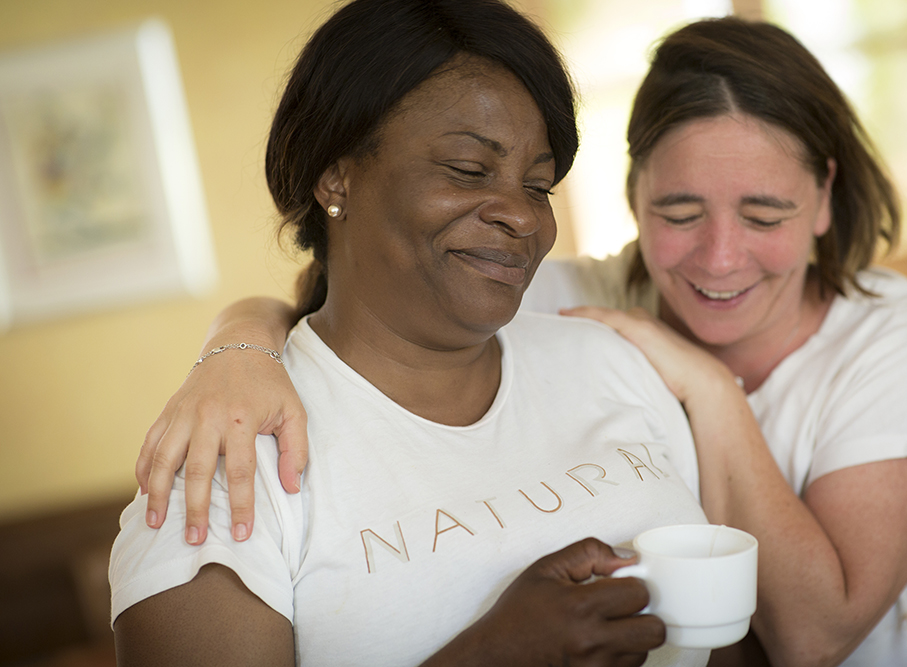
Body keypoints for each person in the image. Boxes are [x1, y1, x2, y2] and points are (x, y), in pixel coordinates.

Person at [135, 13, 907, 667]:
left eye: (538, 182)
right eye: (679, 210)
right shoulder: (570, 305)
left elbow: (803, 636)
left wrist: (704, 386)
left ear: (822, 198)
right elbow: (337, 300)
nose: (721, 255)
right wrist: (236, 347)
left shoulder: (622, 352)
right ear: (634, 197)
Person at [110, 1, 712, 665]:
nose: (520, 214)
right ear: (336, 178)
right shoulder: (229, 462)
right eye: (466, 169)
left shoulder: (609, 360)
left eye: (538, 184)